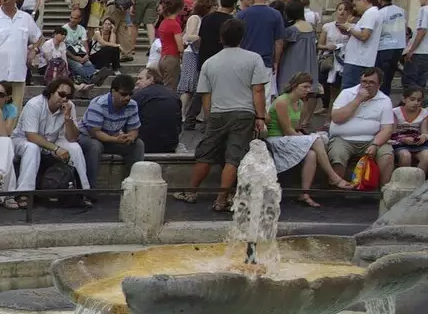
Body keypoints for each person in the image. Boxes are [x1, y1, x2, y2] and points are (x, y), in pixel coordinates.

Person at [178, 18, 270, 212]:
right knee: (233, 157)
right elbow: (258, 90)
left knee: (206, 153)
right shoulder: (254, 59)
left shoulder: (210, 63)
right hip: (244, 113)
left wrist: (210, 116)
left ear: (221, 38)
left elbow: (205, 94)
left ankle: (191, 191)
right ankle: (221, 199)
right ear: (242, 37)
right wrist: (260, 117)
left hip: (218, 112)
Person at [266, 73, 354, 206]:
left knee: (312, 154)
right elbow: (287, 130)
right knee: (315, 140)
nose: (308, 90)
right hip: (276, 139)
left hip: (290, 137)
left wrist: (305, 137)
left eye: (309, 87)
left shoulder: (301, 103)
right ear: (295, 86)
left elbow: (296, 128)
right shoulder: (282, 101)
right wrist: (307, 139)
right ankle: (334, 177)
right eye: (304, 87)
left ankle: (305, 193)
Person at [14, 78, 92, 199]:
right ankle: (24, 193)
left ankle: (83, 191)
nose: (64, 99)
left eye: (68, 96)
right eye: (61, 94)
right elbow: (31, 136)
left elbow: (73, 138)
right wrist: (56, 149)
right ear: (51, 92)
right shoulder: (34, 105)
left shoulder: (69, 106)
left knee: (75, 148)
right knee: (32, 148)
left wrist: (67, 119)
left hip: (52, 141)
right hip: (23, 141)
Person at [327, 67, 397, 186]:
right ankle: (337, 190)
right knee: (337, 155)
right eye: (364, 81)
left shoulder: (385, 100)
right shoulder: (347, 93)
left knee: (387, 156)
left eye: (371, 82)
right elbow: (336, 118)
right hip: (343, 139)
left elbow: (387, 129)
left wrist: (375, 144)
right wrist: (358, 100)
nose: (366, 85)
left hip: (371, 139)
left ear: (379, 84)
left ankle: (383, 191)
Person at [77, 73, 146, 184]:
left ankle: (133, 185)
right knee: (95, 146)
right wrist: (116, 139)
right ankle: (89, 189)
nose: (127, 98)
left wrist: (130, 137)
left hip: (111, 138)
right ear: (113, 92)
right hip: (87, 136)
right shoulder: (98, 104)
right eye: (123, 94)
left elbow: (134, 129)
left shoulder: (132, 105)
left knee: (138, 144)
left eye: (130, 94)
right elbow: (95, 133)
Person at [337, 0, 381, 91]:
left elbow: (364, 36)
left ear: (364, 1)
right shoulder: (370, 14)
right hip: (358, 60)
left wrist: (349, 28)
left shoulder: (370, 14)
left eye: (355, 5)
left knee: (348, 91)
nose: (355, 9)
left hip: (357, 61)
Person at [133, 67, 183, 153]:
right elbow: (178, 122)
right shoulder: (174, 95)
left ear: (151, 79)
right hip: (170, 144)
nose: (137, 82)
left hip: (145, 145)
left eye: (140, 79)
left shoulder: (140, 95)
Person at [391, 85, 428, 170]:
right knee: (405, 156)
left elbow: (424, 131)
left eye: (419, 100)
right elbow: (392, 134)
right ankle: (405, 181)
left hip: (417, 143)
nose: (416, 103)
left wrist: (424, 136)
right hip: (400, 142)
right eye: (412, 99)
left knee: (426, 157)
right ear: (404, 99)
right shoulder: (395, 112)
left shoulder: (424, 113)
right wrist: (403, 139)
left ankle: (418, 180)